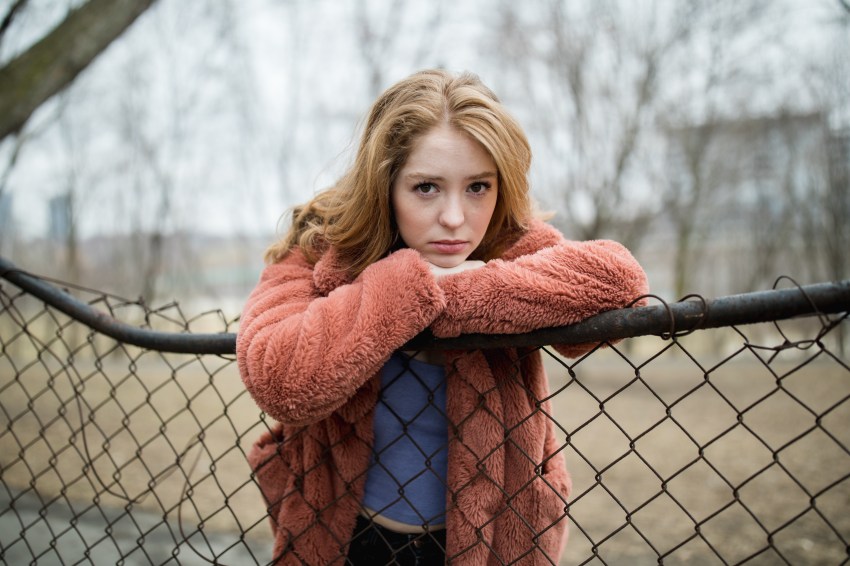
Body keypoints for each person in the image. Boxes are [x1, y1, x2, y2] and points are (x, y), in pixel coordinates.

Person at [236, 69, 648, 565]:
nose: (455, 218)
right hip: (344, 539)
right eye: (426, 187)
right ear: (384, 184)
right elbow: (279, 376)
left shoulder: (505, 239)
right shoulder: (321, 244)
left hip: (489, 542)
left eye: (478, 187)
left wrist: (465, 289)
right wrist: (408, 288)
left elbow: (620, 280)